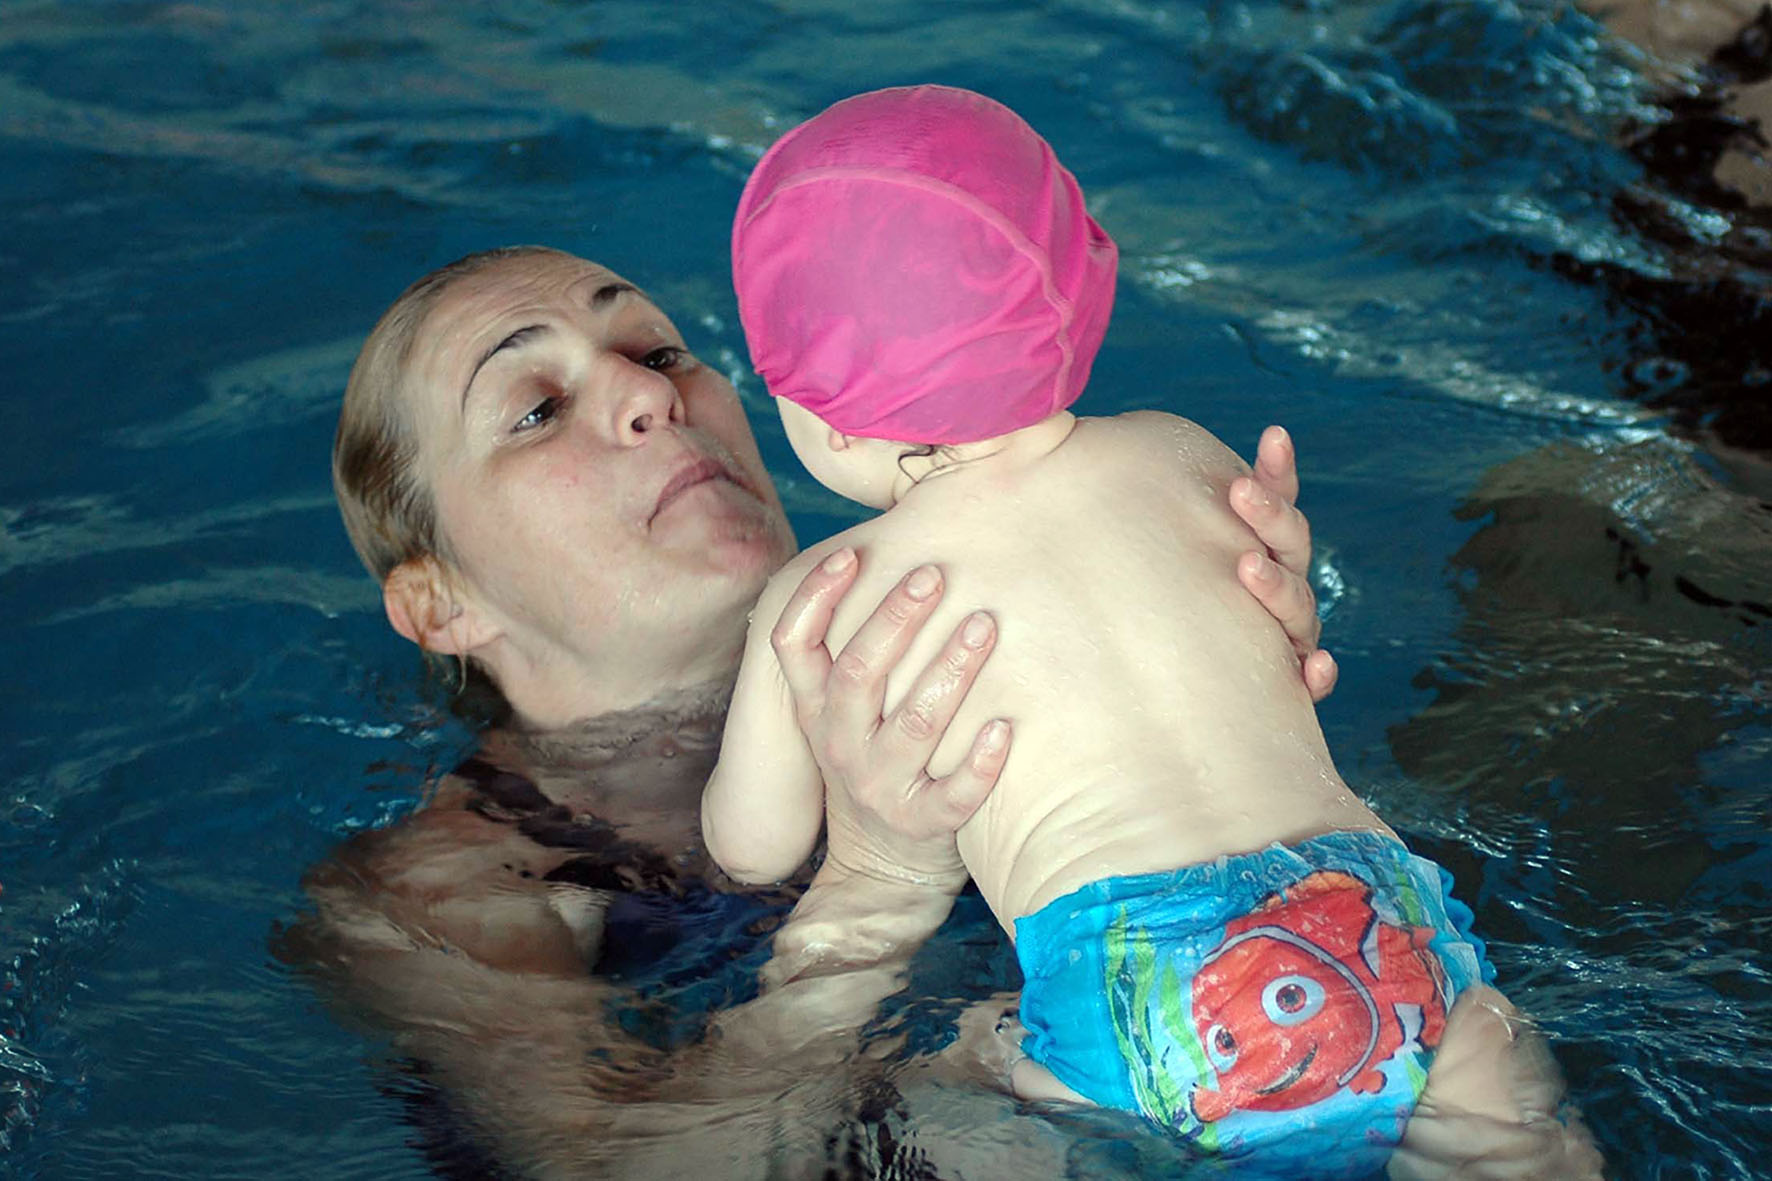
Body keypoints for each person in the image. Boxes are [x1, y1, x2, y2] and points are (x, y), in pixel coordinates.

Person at [283, 239, 1334, 1178]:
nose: (650, 396)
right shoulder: (443, 890)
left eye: (655, 352)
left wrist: (1229, 668)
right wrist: (875, 883)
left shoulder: (968, 604)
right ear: (438, 600)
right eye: (536, 408)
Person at [703, 85, 1600, 1177]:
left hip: (1141, 989)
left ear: (815, 409)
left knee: (936, 1079)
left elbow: (750, 846)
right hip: (1374, 912)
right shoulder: (1184, 451)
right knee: (1514, 1145)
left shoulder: (826, 590)